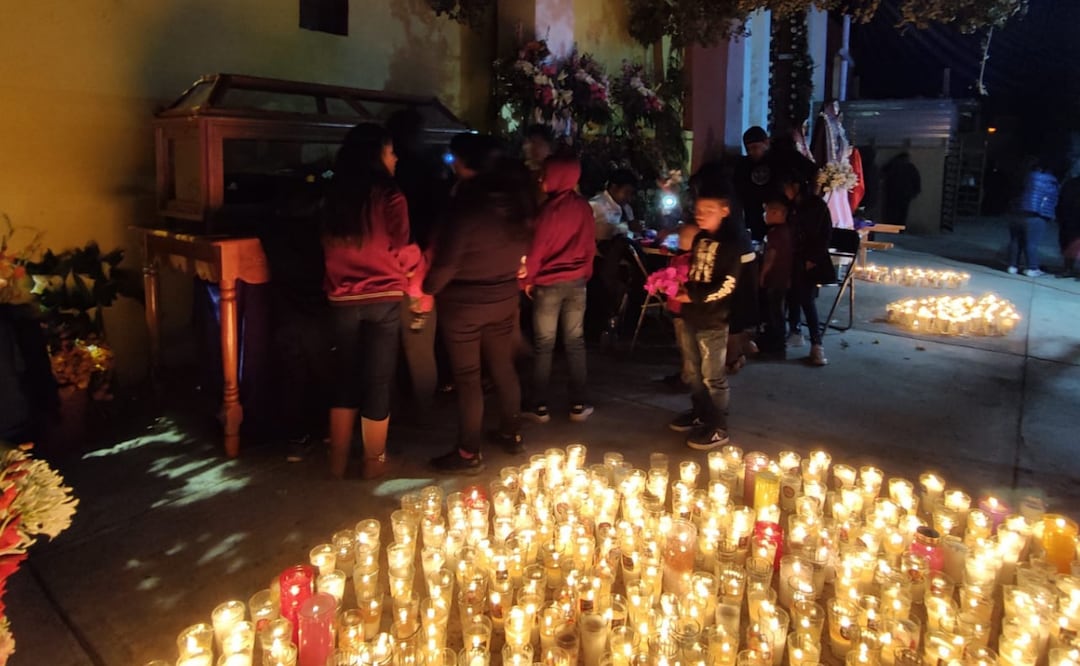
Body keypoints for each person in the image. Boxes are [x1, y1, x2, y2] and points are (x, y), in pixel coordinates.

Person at [321, 123, 424, 480]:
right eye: (390, 151)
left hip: (341, 297)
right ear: (375, 155)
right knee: (378, 380)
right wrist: (417, 285)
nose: (395, 157)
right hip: (383, 298)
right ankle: (373, 462)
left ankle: (336, 460)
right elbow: (402, 248)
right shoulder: (390, 196)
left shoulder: (334, 195)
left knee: (344, 377)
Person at [423, 152, 535, 474]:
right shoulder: (518, 210)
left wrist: (429, 287)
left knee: (468, 378)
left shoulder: (467, 212)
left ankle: (468, 452)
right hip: (503, 298)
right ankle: (511, 433)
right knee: (503, 367)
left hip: (463, 307)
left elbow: (446, 265)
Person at [668, 179, 743, 451]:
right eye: (698, 209)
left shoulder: (731, 245)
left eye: (708, 209)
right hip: (690, 315)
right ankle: (700, 412)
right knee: (693, 370)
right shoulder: (700, 239)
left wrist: (695, 295)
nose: (701, 214)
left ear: (725, 211)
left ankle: (718, 425)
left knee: (713, 376)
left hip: (713, 319)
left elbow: (727, 284)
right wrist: (679, 287)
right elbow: (694, 272)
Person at [522, 156, 596, 423]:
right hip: (577, 283)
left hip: (548, 285)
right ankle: (579, 403)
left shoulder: (547, 211)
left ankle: (537, 405)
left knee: (544, 344)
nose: (541, 178)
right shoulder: (583, 207)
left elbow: (536, 250)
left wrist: (526, 280)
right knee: (575, 342)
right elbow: (590, 245)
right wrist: (585, 274)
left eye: (545, 173)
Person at [784, 172, 836, 366]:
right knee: (791, 295)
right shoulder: (791, 205)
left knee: (806, 298)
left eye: (788, 186)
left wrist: (813, 258)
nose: (785, 191)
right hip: (792, 257)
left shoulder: (816, 206)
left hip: (809, 259)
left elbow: (824, 235)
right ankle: (794, 331)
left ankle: (817, 343)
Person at [758, 192, 794, 357]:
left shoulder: (775, 233)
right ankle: (775, 343)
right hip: (785, 278)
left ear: (779, 213)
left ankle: (777, 346)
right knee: (778, 311)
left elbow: (770, 256)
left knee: (775, 313)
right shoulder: (787, 231)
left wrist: (763, 274)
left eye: (768, 212)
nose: (764, 215)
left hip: (776, 278)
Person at [810, 100, 856, 230]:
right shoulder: (825, 123)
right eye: (833, 109)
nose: (836, 112)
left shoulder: (839, 128)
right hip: (831, 172)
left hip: (838, 172)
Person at [1009, 162, 1059, 277]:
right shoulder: (1051, 182)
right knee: (1031, 243)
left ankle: (1012, 266)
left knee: (1015, 241)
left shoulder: (1024, 178)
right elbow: (1051, 201)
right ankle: (1032, 268)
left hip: (1017, 212)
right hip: (1036, 215)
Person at [733, 126, 773, 242]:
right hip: (752, 217)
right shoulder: (743, 165)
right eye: (748, 149)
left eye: (755, 147)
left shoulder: (776, 161)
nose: (751, 152)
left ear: (766, 143)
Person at [881, 153, 921, 227]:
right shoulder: (910, 167)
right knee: (902, 213)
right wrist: (916, 191)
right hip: (904, 195)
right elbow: (916, 180)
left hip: (893, 194)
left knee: (891, 212)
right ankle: (900, 228)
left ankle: (892, 226)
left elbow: (882, 173)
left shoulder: (893, 165)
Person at [1057, 171, 1080, 277]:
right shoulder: (1071, 183)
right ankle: (1068, 268)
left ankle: (1068, 268)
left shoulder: (1070, 183)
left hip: (1068, 219)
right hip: (1069, 219)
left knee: (1068, 244)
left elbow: (1061, 200)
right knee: (1069, 244)